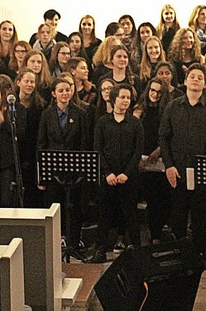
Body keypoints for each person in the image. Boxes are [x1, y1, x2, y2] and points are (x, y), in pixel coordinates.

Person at [159, 63, 206, 256]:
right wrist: (169, 166)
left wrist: (205, 165)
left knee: (200, 217)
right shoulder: (173, 106)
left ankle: (198, 256)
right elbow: (163, 137)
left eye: (200, 78)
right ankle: (179, 257)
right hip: (177, 170)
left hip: (201, 172)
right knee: (177, 216)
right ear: (185, 81)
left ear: (204, 85)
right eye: (192, 76)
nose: (195, 79)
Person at [89, 83, 144, 263]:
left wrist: (126, 173)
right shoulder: (103, 122)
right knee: (104, 213)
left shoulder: (135, 123)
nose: (125, 101)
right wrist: (107, 173)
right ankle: (100, 249)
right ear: (113, 100)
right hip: (108, 177)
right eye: (122, 97)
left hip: (129, 177)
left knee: (130, 213)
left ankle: (135, 248)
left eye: (128, 98)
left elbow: (138, 151)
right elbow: (98, 149)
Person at [37, 77, 89, 249]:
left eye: (67, 90)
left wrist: (83, 171)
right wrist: (42, 175)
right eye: (60, 90)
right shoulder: (46, 115)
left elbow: (84, 144)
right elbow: (41, 144)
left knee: (74, 206)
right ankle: (57, 238)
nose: (65, 93)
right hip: (53, 170)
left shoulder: (80, 114)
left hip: (74, 170)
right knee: (55, 204)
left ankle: (74, 240)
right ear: (54, 94)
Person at [132, 78, 172, 245]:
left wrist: (159, 150)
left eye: (159, 92)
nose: (155, 95)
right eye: (152, 91)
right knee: (151, 200)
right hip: (142, 159)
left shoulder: (168, 110)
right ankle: (154, 235)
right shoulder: (140, 110)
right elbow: (134, 135)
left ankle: (161, 232)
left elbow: (170, 134)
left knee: (163, 199)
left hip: (163, 159)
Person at [0, 74, 26, 207]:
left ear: (8, 90)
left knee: (6, 201)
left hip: (9, 162)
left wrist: (3, 121)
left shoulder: (18, 109)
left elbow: (20, 133)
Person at [15, 68, 47, 208]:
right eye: (26, 81)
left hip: (34, 154)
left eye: (32, 82)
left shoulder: (41, 105)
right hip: (16, 155)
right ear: (18, 82)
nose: (29, 84)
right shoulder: (11, 105)